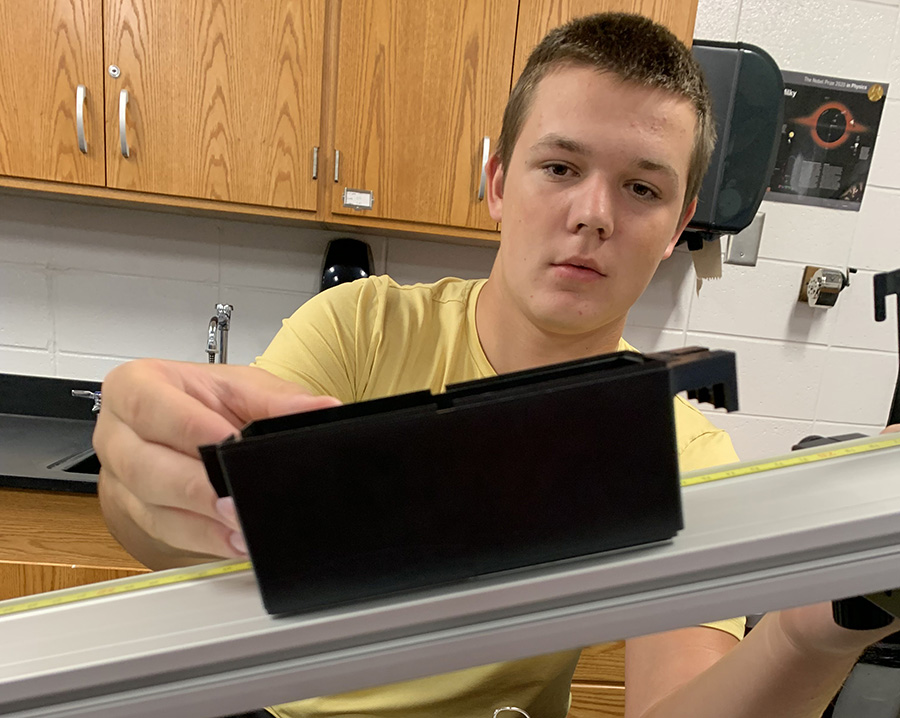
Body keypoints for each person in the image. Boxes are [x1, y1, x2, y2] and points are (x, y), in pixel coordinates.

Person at [93, 13, 899, 718]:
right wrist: (152, 481)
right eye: (559, 168)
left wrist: (816, 630)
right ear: (497, 183)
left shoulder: (679, 450)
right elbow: (171, 535)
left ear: (680, 222)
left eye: (642, 188)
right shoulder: (361, 330)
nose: (593, 214)